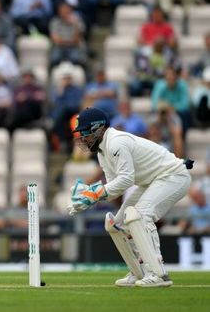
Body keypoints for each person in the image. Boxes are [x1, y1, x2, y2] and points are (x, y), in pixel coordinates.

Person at [67, 107, 193, 287]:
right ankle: (138, 271)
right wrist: (89, 199)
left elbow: (126, 179)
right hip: (153, 180)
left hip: (173, 176)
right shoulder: (103, 152)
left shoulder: (117, 142)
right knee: (117, 224)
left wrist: (95, 193)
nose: (83, 139)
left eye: (85, 133)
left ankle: (158, 273)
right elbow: (114, 189)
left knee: (140, 215)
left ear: (98, 129)